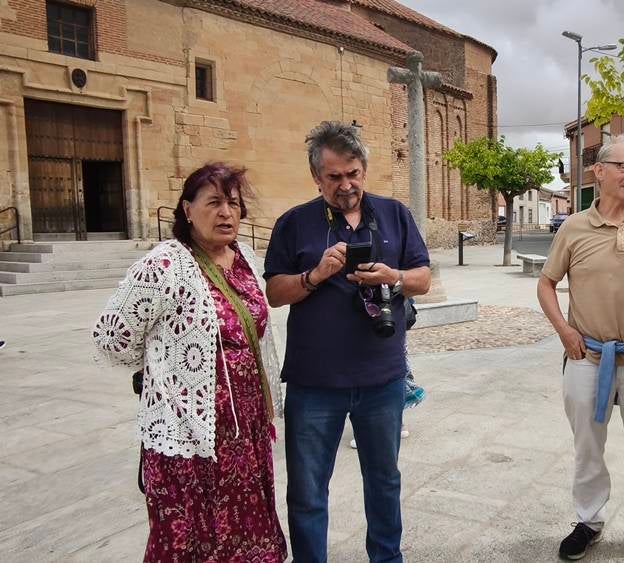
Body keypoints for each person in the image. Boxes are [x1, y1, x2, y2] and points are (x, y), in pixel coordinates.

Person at [93, 163, 287, 562]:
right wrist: (160, 368)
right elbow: (111, 336)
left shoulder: (245, 257)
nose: (226, 213)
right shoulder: (166, 264)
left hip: (245, 431)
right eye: (213, 202)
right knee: (190, 538)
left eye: (233, 203)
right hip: (187, 433)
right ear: (186, 209)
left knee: (241, 532)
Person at [264, 121, 431, 563]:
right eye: (334, 177)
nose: (346, 185)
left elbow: (423, 278)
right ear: (317, 177)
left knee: (384, 482)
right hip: (314, 383)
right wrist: (314, 275)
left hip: (382, 379)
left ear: (364, 170)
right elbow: (275, 294)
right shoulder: (293, 223)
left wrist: (392, 276)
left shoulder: (394, 213)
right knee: (307, 492)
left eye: (353, 173)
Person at [537, 135, 624, 563]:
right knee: (587, 447)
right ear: (600, 172)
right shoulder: (574, 227)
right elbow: (546, 284)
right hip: (587, 357)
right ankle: (589, 521)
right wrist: (564, 331)